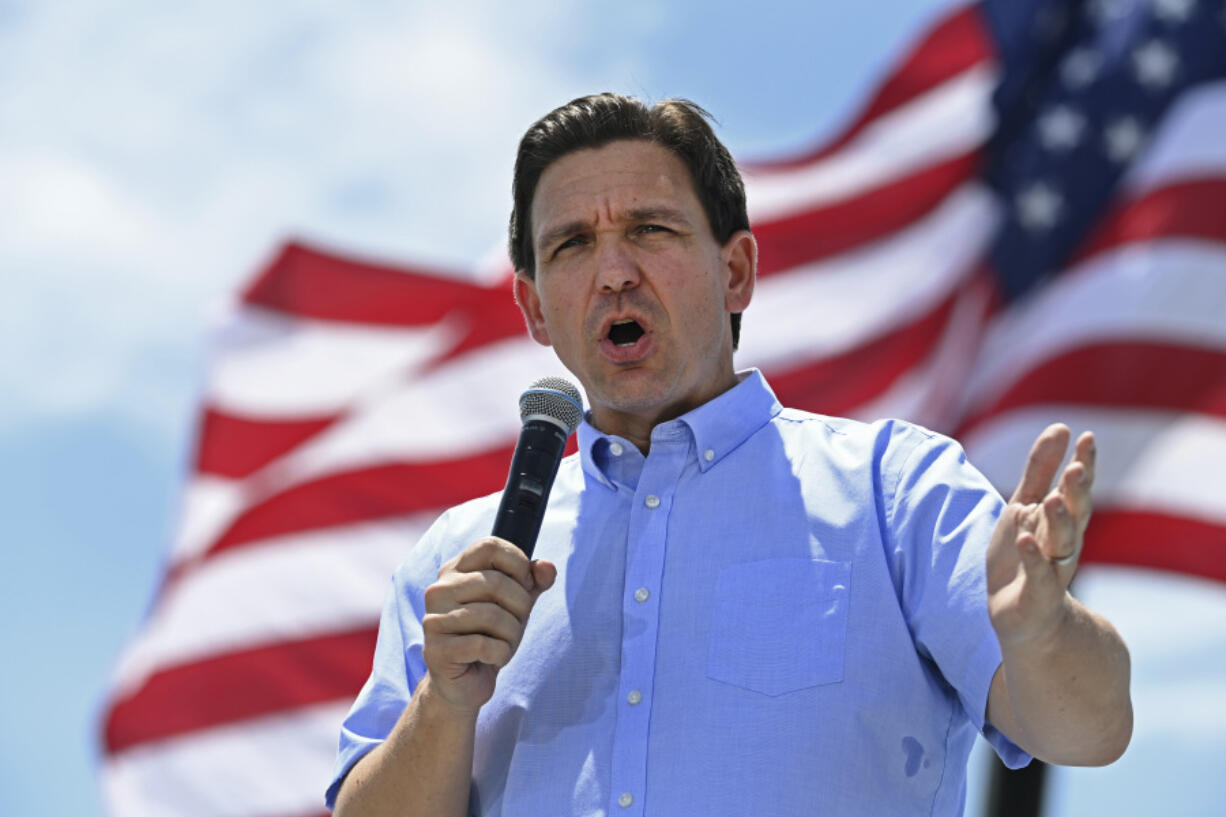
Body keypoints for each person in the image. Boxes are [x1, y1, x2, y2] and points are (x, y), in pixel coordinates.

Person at [326, 93, 1132, 817]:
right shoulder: (456, 563)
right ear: (536, 309)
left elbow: (1091, 729)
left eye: (650, 228)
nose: (613, 272)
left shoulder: (895, 490)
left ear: (736, 270)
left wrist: (1040, 634)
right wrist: (445, 700)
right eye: (571, 244)